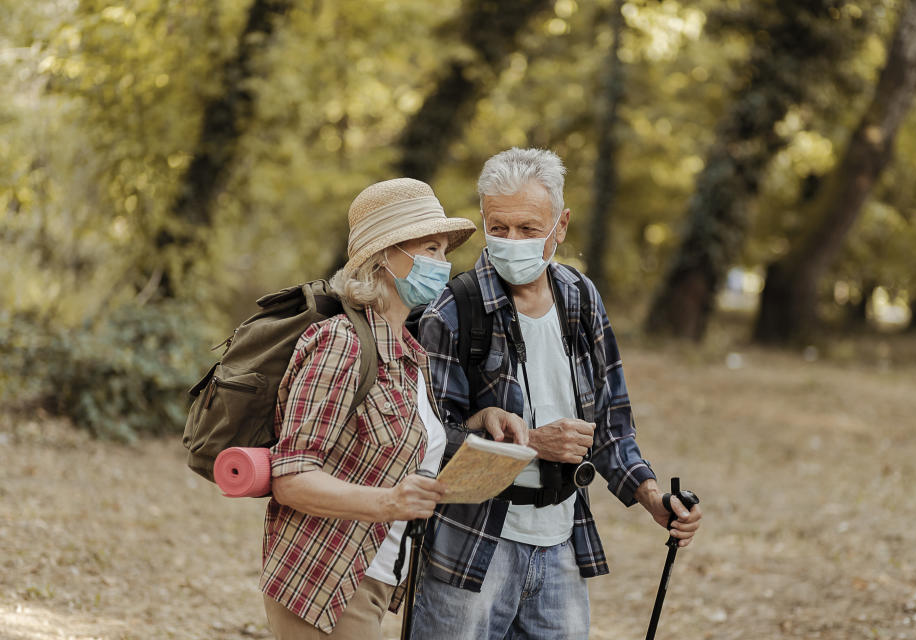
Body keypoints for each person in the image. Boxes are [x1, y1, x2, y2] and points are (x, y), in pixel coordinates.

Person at [412, 148, 703, 639]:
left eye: (528, 229)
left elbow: (611, 421)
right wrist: (529, 445)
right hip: (474, 542)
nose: (511, 242)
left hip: (562, 539)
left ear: (560, 225)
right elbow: (427, 441)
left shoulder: (580, 297)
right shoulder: (450, 311)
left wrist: (650, 495)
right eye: (498, 228)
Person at [259, 178, 527, 640]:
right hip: (325, 581)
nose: (444, 265)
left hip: (377, 578)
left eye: (444, 251)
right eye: (430, 248)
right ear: (385, 257)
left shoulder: (407, 353)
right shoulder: (339, 343)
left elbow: (396, 443)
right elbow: (291, 478)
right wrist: (387, 503)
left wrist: (474, 423)